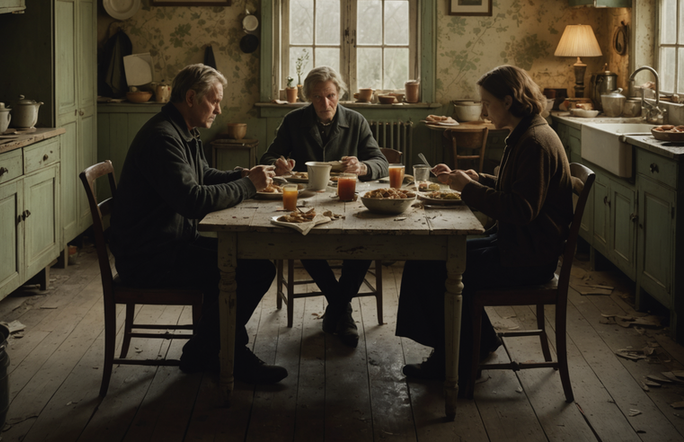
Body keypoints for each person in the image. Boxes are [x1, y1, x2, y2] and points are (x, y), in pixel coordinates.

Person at [396, 65, 573, 387]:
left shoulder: (534, 141)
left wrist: (468, 189)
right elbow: (516, 190)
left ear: (508, 101)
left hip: (528, 258)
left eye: (487, 103)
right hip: (516, 243)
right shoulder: (526, 133)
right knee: (429, 256)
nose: (484, 110)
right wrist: (476, 179)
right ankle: (478, 342)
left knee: (436, 269)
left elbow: (522, 210)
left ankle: (455, 360)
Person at [110, 63, 287, 384]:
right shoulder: (162, 138)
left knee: (252, 261)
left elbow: (204, 176)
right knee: (254, 269)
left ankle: (207, 350)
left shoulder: (182, 130)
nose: (219, 109)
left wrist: (243, 175)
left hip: (171, 242)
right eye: (214, 101)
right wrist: (249, 187)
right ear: (191, 97)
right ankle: (223, 353)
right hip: (150, 257)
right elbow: (192, 199)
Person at [260, 66, 389, 347]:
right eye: (317, 97)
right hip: (306, 203)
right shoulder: (294, 120)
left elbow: (381, 162)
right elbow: (269, 156)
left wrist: (363, 166)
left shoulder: (356, 121)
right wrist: (278, 164)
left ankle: (337, 309)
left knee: (365, 241)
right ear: (308, 97)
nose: (325, 103)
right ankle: (343, 311)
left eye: (330, 95)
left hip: (347, 201)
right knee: (301, 239)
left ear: (339, 94)